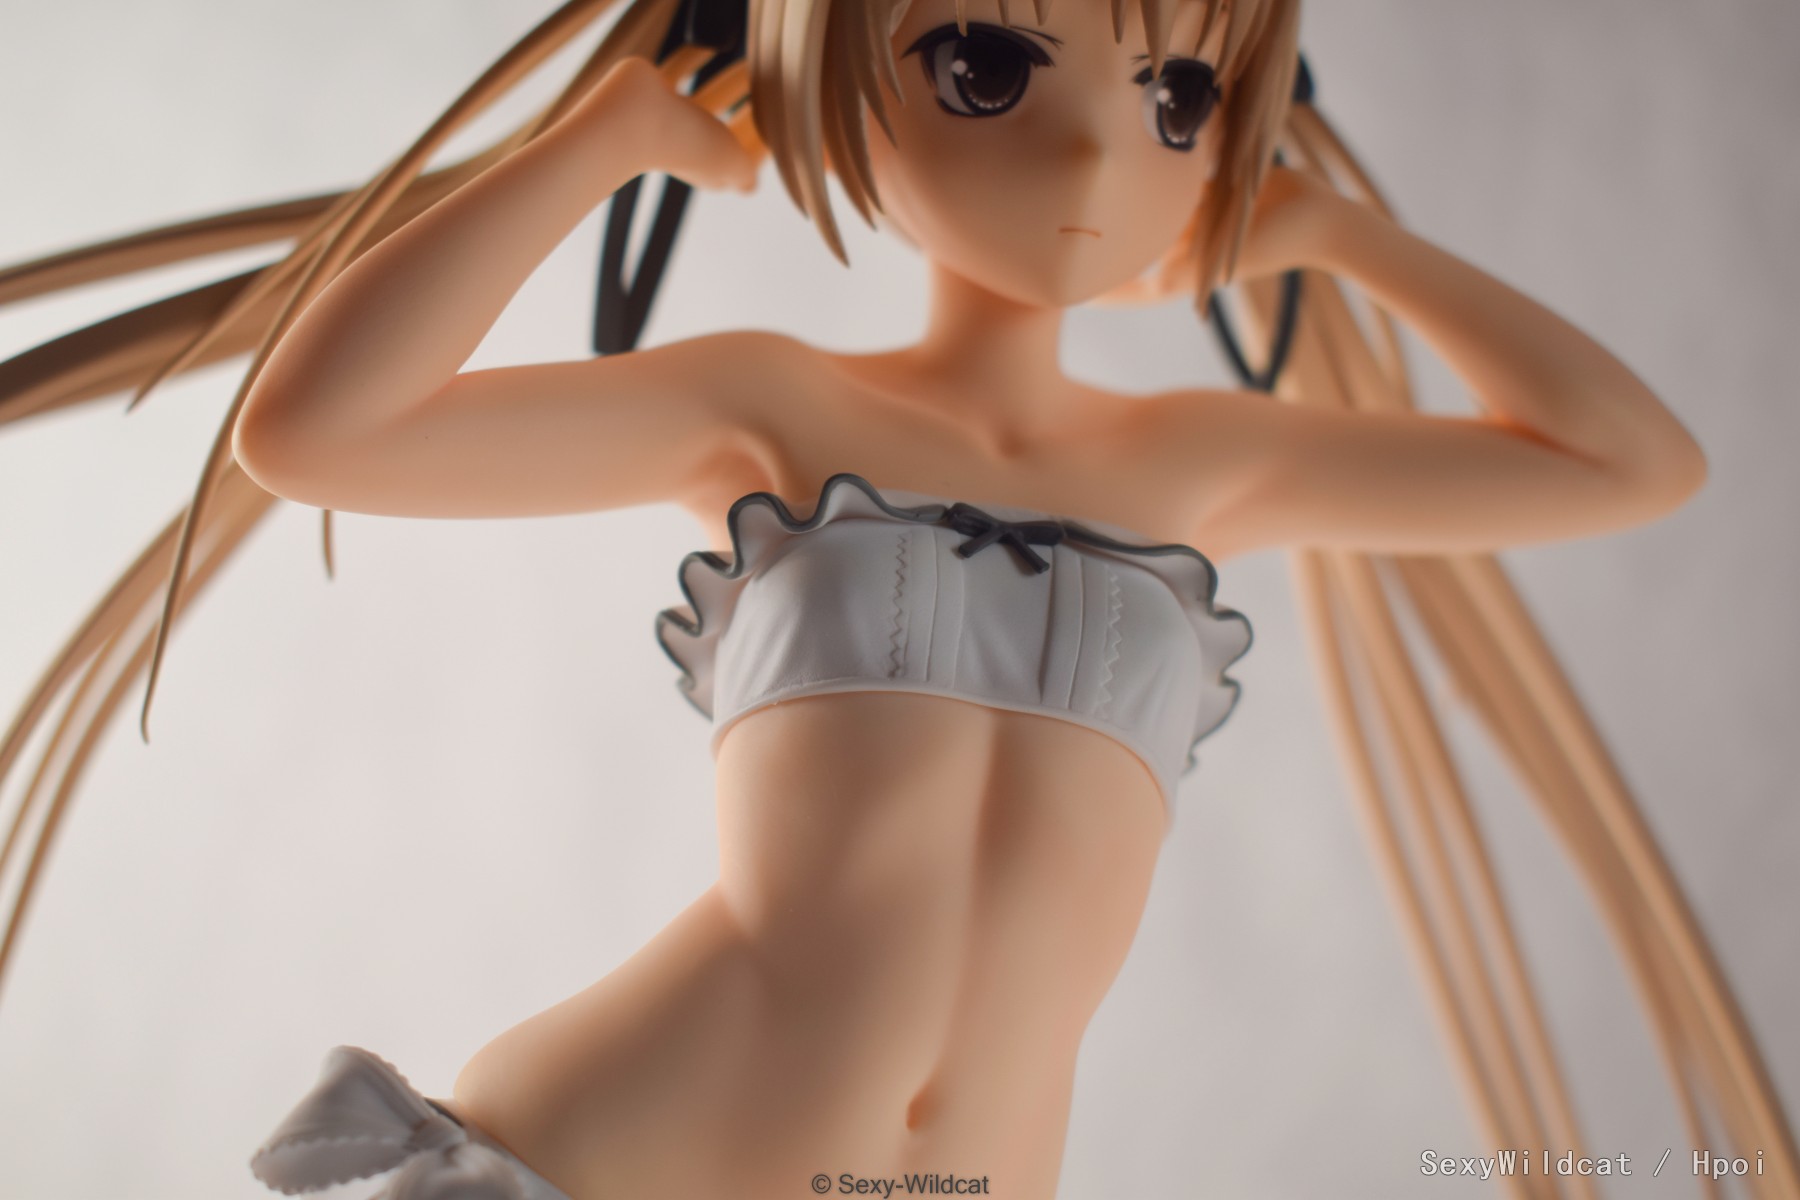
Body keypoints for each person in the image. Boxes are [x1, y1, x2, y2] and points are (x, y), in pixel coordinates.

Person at [0, 0, 1792, 1197]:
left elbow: (1631, 465)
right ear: (831, 68)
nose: (1095, 161)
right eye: (989, 65)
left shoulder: (1208, 461)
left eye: (1177, 96)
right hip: (625, 1151)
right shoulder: (772, 405)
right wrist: (591, 143)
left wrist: (1343, 237)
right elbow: (317, 433)